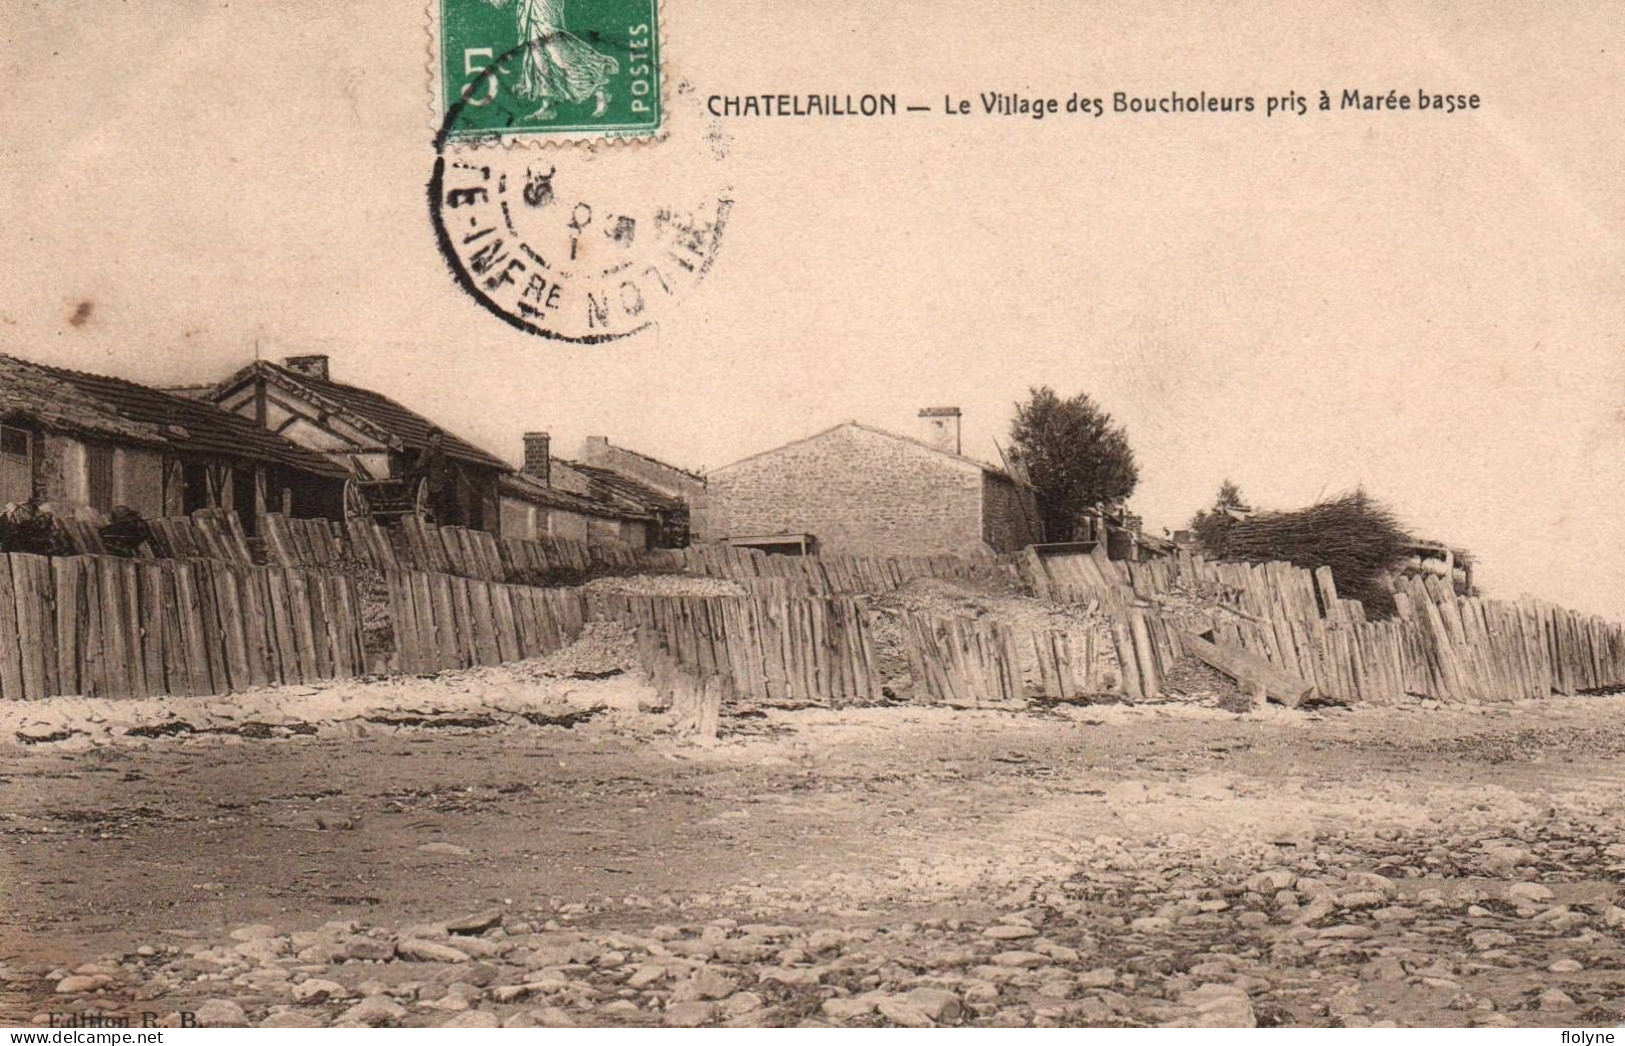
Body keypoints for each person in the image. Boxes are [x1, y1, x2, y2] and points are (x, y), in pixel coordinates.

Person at [410, 427, 457, 524]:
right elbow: (419, 465)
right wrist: (426, 473)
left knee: (445, 502)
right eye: (437, 438)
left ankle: (442, 522)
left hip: (441, 481)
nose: (439, 441)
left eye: (440, 438)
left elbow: (444, 466)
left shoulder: (441, 453)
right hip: (431, 482)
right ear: (430, 439)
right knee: (433, 502)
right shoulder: (427, 452)